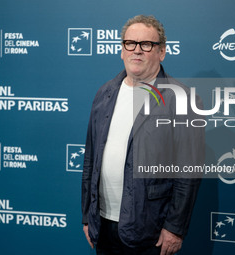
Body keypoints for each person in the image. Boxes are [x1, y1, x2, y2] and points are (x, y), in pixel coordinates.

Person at [82, 15, 205, 255]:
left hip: (150, 232)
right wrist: (88, 214)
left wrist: (175, 228)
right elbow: (90, 159)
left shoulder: (182, 100)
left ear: (161, 52)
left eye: (146, 45)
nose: (137, 50)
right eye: (130, 43)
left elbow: (188, 174)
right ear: (121, 49)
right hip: (104, 226)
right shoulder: (104, 93)